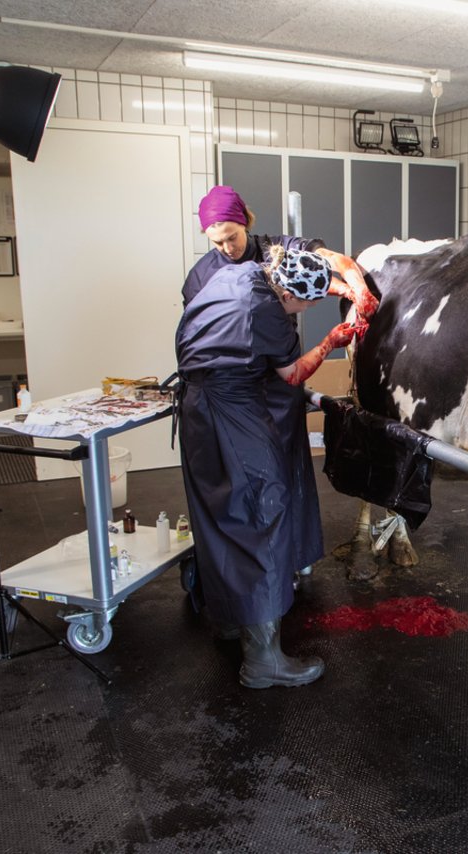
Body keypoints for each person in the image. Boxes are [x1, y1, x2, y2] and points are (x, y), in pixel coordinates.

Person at [175, 185, 376, 689]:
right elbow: (291, 374)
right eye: (301, 308)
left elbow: (322, 263)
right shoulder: (265, 309)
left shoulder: (239, 277)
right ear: (288, 294)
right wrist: (332, 340)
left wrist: (353, 286)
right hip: (234, 410)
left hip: (198, 409)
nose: (300, 315)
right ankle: (263, 660)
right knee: (259, 512)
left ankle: (228, 620)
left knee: (221, 517)